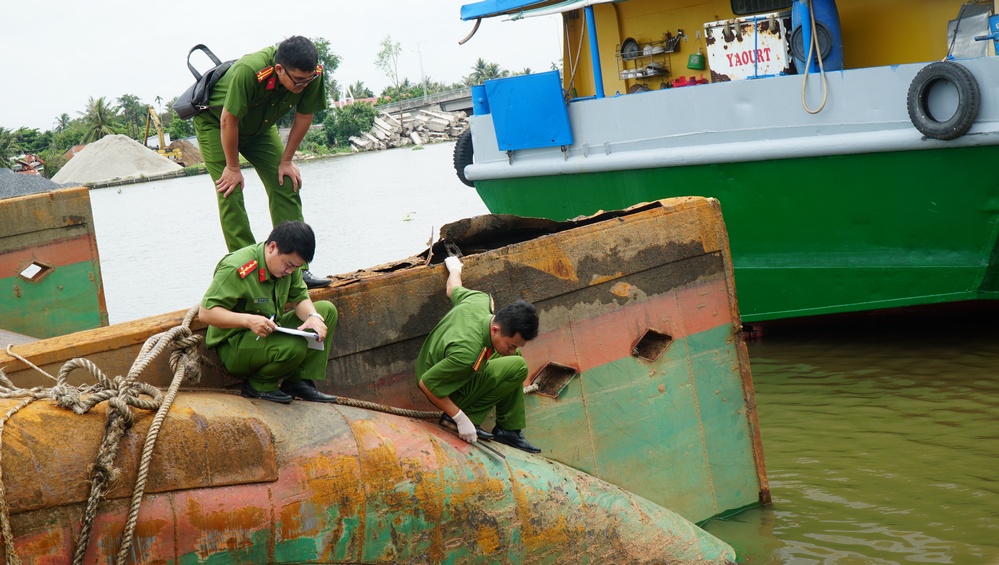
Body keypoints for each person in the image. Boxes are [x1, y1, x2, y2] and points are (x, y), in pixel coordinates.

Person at [194, 35, 331, 289]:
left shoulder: (312, 74)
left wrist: (287, 160)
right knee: (229, 190)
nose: (304, 85)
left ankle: (295, 271)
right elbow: (228, 120)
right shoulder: (250, 71)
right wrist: (233, 168)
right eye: (298, 80)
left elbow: (304, 116)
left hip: (260, 128)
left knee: (286, 182)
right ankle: (248, 272)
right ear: (279, 70)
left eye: (308, 79)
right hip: (217, 124)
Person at [199, 221, 338, 404]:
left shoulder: (290, 267)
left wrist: (312, 317)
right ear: (272, 247)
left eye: (296, 267)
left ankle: (298, 381)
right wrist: (249, 321)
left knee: (326, 311)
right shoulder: (237, 267)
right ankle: (259, 385)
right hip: (235, 345)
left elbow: (299, 298)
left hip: (268, 332)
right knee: (294, 347)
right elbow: (206, 313)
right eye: (288, 265)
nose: (290, 271)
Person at [415, 255, 542, 453]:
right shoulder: (467, 353)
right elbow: (426, 383)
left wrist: (454, 268)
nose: (512, 348)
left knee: (514, 358)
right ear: (495, 330)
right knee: (518, 366)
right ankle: (464, 418)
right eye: (511, 344)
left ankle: (509, 430)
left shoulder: (479, 301)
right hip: (443, 381)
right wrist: (459, 418)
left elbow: (452, 289)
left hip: (444, 361)